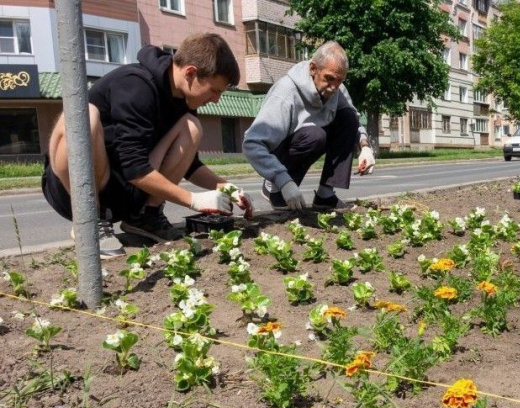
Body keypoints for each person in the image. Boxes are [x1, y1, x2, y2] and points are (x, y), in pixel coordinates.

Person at [43, 33, 253, 259]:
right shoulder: (135, 85)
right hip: (74, 188)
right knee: (85, 115)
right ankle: (90, 221)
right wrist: (193, 200)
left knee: (191, 126)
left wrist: (226, 187)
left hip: (123, 190)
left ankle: (145, 218)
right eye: (215, 90)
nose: (216, 99)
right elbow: (134, 168)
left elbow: (189, 165)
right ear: (191, 73)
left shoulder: (183, 101)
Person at [243, 41, 374, 212]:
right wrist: (282, 180)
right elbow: (252, 143)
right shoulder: (286, 93)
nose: (334, 87)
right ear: (313, 69)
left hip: (308, 139)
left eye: (340, 81)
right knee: (314, 135)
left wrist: (364, 146)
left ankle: (325, 195)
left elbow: (353, 119)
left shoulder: (336, 89)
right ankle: (274, 190)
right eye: (329, 79)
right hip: (281, 152)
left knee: (348, 116)